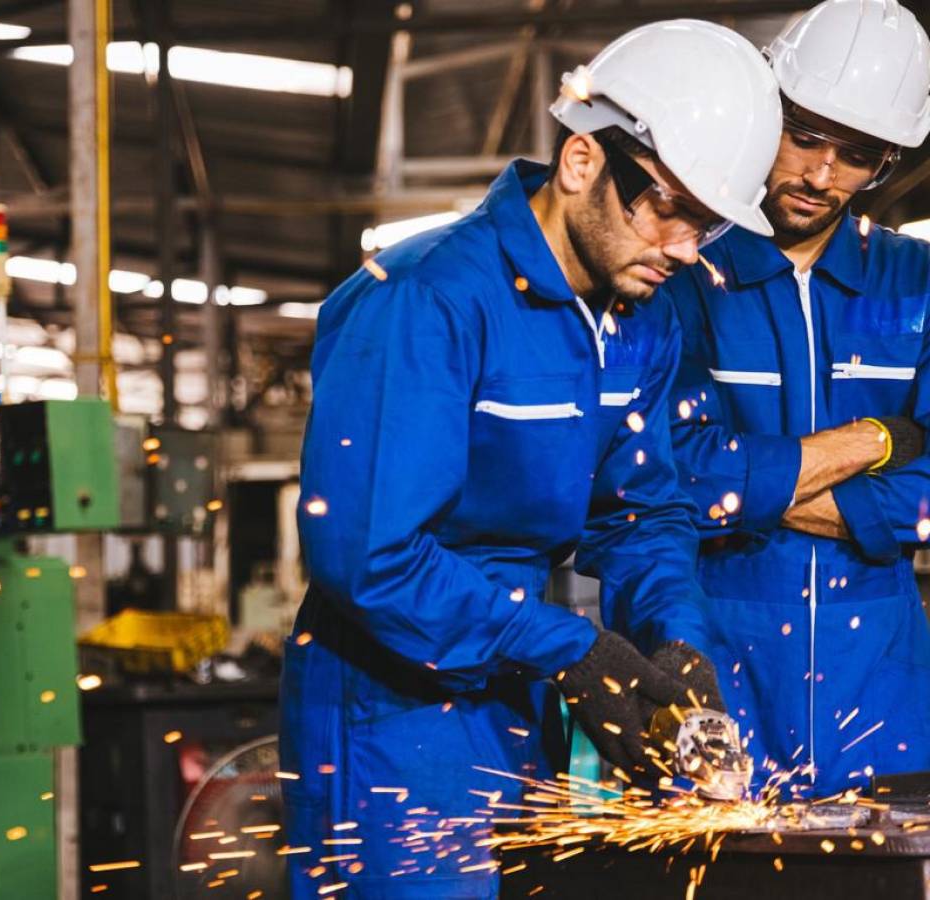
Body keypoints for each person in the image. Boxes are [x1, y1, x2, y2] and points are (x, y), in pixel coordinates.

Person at [281, 19, 782, 899]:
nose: (683, 249)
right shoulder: (426, 299)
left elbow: (643, 513)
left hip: (514, 683)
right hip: (390, 698)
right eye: (668, 207)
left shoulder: (640, 318)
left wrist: (679, 641)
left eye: (704, 225)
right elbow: (367, 554)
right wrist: (568, 646)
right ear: (584, 161)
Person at [659, 0, 930, 797]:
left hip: (884, 691)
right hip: (714, 674)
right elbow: (674, 473)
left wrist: (748, 487)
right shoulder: (681, 273)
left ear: (886, 162)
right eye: (804, 136)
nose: (820, 175)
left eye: (855, 155)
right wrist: (879, 440)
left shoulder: (915, 284)